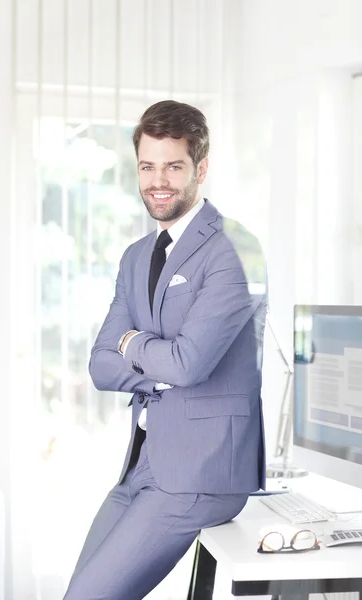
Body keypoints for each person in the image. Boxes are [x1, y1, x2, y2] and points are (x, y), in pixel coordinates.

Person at [63, 100, 267, 600]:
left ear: (200, 169)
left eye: (173, 166)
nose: (159, 180)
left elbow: (189, 362)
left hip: (201, 473)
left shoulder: (237, 249)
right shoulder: (136, 258)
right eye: (148, 166)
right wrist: (158, 363)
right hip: (143, 463)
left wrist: (132, 342)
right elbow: (99, 366)